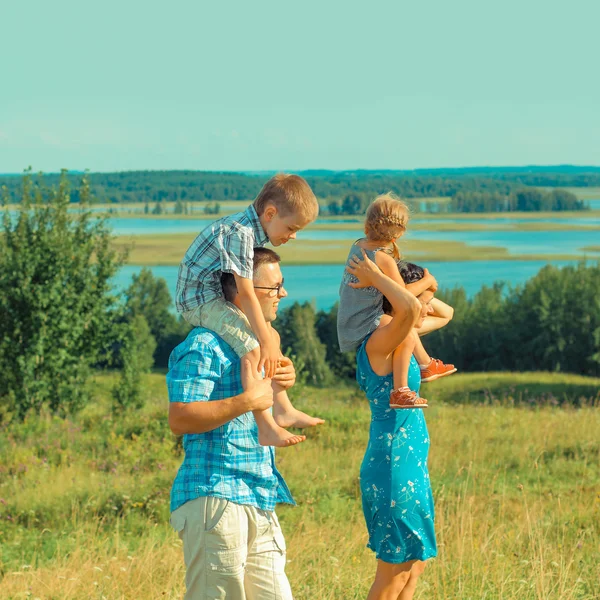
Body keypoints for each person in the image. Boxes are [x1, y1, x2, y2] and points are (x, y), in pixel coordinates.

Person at [167, 248, 322, 600]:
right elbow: (179, 418)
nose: (283, 294)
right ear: (243, 291)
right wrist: (246, 402)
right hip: (216, 494)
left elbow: (273, 410)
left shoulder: (260, 344)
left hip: (259, 493)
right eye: (274, 288)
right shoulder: (204, 344)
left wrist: (282, 385)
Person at [175, 174, 319, 446]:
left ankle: (283, 409)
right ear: (270, 213)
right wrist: (263, 340)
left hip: (214, 296)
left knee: (272, 338)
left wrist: (270, 339)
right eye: (291, 228)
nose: (294, 236)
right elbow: (246, 292)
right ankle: (266, 427)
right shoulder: (240, 233)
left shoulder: (250, 231)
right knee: (254, 345)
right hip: (199, 300)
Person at [346, 250, 449, 600]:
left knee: (415, 564)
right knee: (394, 571)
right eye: (416, 298)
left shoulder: (406, 338)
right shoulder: (382, 339)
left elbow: (446, 314)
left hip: (411, 464)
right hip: (393, 466)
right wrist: (418, 287)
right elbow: (408, 312)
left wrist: (426, 289)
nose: (423, 306)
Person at [338, 193, 456, 409]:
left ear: (367, 225)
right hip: (368, 321)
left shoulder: (357, 246)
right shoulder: (383, 259)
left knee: (407, 330)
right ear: (397, 236)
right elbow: (404, 296)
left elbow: (444, 312)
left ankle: (426, 364)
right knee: (407, 334)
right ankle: (401, 390)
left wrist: (427, 294)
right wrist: (428, 281)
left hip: (350, 323)